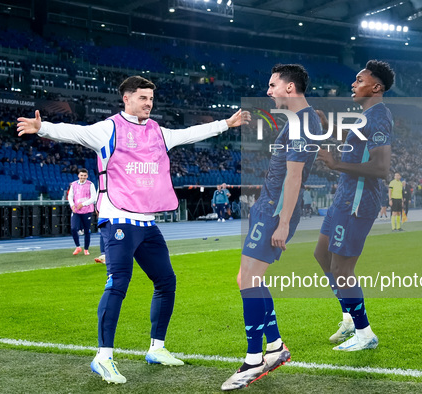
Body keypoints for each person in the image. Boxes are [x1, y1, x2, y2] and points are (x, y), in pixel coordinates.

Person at [17, 75, 250, 385]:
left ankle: (157, 348)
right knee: (118, 283)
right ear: (126, 99)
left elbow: (188, 133)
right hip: (118, 220)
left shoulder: (157, 131)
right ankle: (103, 357)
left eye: (151, 99)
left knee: (166, 280)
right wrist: (42, 128)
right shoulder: (109, 129)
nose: (148, 103)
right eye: (142, 98)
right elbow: (76, 133)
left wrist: (225, 124)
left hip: (146, 222)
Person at [222, 64, 322, 391]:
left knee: (247, 279)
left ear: (290, 88)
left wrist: (281, 221)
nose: (268, 91)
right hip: (266, 208)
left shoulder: (304, 122)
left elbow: (294, 177)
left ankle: (254, 359)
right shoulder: (299, 121)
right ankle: (276, 347)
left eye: (272, 85)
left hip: (274, 212)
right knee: (249, 278)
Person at [314, 60, 394, 352]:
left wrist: (335, 164)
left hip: (359, 200)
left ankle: (364, 333)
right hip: (344, 197)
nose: (353, 83)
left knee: (341, 267)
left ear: (376, 87)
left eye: (359, 80)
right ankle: (348, 316)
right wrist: (328, 129)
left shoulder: (379, 117)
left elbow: (382, 167)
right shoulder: (364, 117)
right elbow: (354, 146)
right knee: (322, 254)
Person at [68, 168, 97, 256]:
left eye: (84, 176)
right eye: (81, 175)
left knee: (86, 230)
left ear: (87, 176)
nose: (83, 177)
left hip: (87, 211)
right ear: (78, 175)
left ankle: (86, 249)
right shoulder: (73, 184)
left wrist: (83, 204)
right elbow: (70, 196)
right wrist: (72, 205)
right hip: (76, 210)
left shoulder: (90, 184)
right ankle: (78, 247)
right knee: (73, 228)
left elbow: (93, 197)